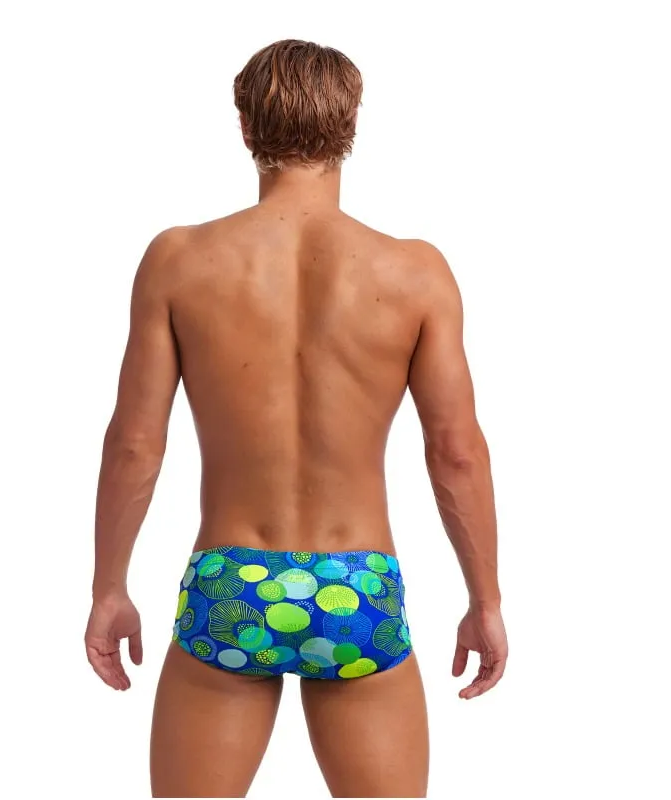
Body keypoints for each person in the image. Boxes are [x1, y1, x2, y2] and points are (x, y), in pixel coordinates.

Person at [84, 39, 508, 799]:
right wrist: (486, 601)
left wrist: (108, 588)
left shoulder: (179, 260)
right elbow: (456, 453)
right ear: (352, 125)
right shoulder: (416, 272)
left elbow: (136, 445)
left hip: (231, 581)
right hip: (357, 586)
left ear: (246, 126)